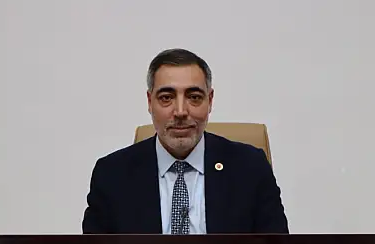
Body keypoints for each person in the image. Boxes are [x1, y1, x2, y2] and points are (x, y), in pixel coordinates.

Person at [82, 48, 288, 234]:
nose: (180, 111)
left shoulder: (250, 168)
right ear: (149, 102)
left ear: (210, 101)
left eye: (194, 97)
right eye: (166, 97)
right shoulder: (112, 175)